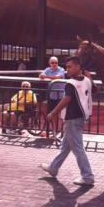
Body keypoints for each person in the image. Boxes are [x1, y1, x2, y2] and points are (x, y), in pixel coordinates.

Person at [40, 56, 95, 186]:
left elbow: (66, 99)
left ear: (78, 66)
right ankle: (53, 168)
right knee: (66, 146)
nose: (67, 69)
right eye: (67, 67)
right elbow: (94, 90)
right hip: (81, 117)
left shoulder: (71, 83)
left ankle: (87, 176)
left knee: (78, 148)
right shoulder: (86, 80)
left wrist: (53, 112)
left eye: (70, 66)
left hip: (72, 118)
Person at [39, 56, 65, 128]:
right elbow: (40, 76)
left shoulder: (61, 69)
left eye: (56, 63)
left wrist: (46, 77)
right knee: (52, 112)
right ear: (49, 63)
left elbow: (58, 77)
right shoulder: (47, 69)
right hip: (52, 95)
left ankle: (62, 130)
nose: (54, 64)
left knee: (62, 113)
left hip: (61, 95)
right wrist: (45, 76)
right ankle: (54, 129)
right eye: (52, 63)